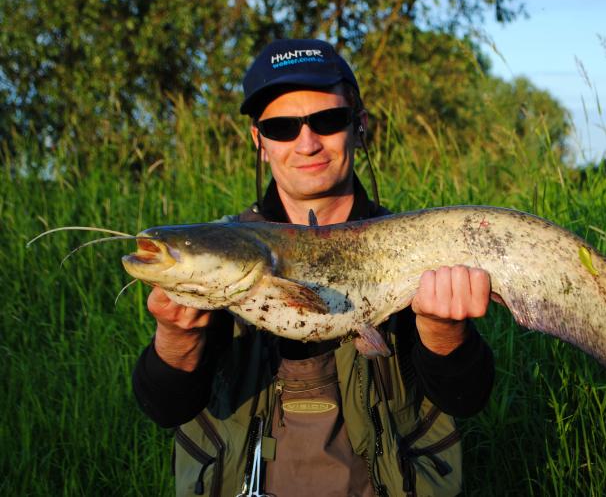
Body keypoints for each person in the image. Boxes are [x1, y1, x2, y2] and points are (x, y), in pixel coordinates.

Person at [133, 39, 495, 497]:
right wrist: (177, 338)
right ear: (259, 141)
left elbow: (466, 398)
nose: (307, 144)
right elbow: (166, 408)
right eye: (282, 127)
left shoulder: (416, 248)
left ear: (359, 126)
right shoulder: (224, 251)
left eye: (328, 120)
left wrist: (444, 331)